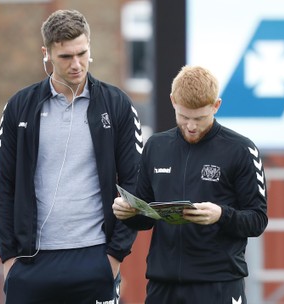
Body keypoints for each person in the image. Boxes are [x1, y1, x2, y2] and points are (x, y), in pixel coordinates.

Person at [0, 9, 143, 304]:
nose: (76, 64)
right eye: (65, 57)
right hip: (30, 260)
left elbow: (134, 183)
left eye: (82, 53)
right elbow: (5, 185)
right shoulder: (19, 107)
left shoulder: (117, 105)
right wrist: (10, 259)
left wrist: (114, 256)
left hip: (95, 256)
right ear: (46, 53)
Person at [113, 65, 268, 304]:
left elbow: (257, 219)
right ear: (173, 101)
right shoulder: (155, 146)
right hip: (162, 285)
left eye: (200, 118)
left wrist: (221, 215)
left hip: (218, 285)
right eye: (184, 117)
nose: (191, 126)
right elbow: (144, 218)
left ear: (216, 106)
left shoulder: (241, 150)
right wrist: (127, 212)